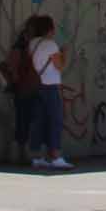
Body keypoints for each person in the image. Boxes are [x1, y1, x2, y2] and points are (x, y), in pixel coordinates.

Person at [27, 15, 70, 170]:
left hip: (36, 86)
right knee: (55, 120)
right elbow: (60, 66)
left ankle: (36, 156)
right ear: (50, 29)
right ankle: (56, 156)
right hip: (50, 86)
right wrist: (64, 53)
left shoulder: (33, 43)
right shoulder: (51, 45)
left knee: (38, 121)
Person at [6, 17, 43, 164]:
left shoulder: (34, 45)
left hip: (34, 87)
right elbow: (13, 66)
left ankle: (28, 152)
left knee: (31, 120)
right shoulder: (20, 46)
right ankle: (22, 153)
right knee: (23, 120)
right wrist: (17, 83)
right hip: (24, 88)